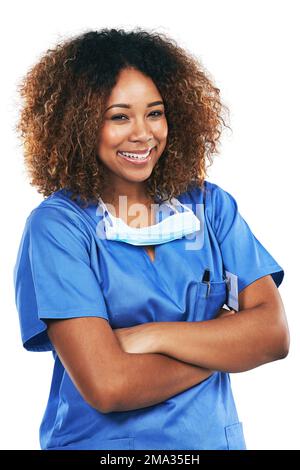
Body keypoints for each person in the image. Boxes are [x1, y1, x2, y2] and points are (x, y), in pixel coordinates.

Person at [13, 28, 289, 451]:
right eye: (119, 116)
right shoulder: (58, 229)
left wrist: (153, 336)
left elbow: (272, 336)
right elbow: (109, 385)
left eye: (155, 113)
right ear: (80, 125)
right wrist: (222, 344)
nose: (143, 134)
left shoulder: (209, 208)